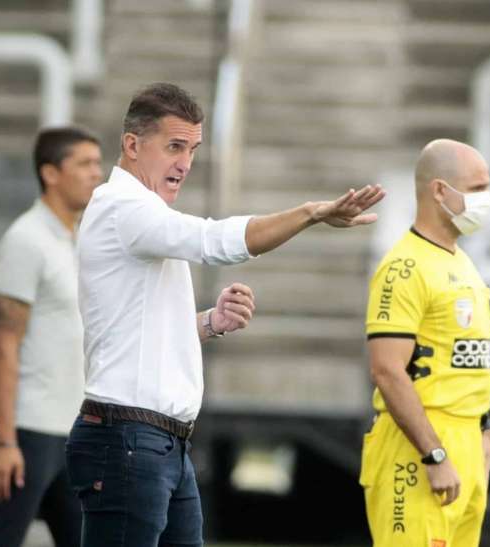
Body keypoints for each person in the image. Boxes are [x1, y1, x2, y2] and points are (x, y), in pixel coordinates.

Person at [65, 82, 385, 547]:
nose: (185, 164)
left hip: (158, 443)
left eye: (192, 149)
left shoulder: (141, 213)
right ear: (132, 146)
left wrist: (209, 322)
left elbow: (138, 335)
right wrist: (310, 213)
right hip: (127, 440)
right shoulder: (123, 207)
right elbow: (216, 242)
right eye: (174, 147)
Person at [0, 127, 103, 547]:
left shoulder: (79, 241)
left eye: (98, 163)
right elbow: (3, 344)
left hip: (72, 429)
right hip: (26, 429)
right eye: (84, 164)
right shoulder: (26, 240)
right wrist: (6, 442)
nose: (97, 174)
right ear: (50, 173)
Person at [360, 139, 490, 547]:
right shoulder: (404, 267)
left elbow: (466, 358)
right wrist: (434, 454)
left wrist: (485, 430)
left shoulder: (462, 261)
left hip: (468, 446)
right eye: (476, 189)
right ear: (440, 190)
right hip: (418, 451)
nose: (485, 200)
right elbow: (387, 369)